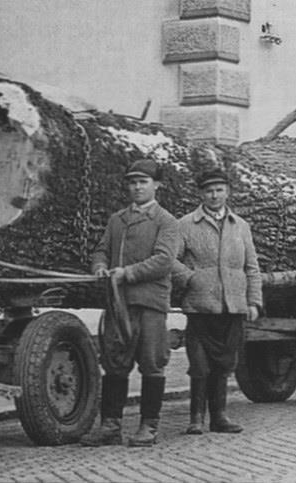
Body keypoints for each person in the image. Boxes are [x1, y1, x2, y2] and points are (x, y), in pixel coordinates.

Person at [80, 158, 180, 447]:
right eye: (133, 183)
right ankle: (110, 426)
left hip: (150, 304)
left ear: (156, 185)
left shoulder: (166, 221)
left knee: (152, 363)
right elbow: (100, 250)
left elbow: (164, 261)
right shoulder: (117, 220)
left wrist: (127, 273)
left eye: (143, 182)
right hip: (118, 303)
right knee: (114, 364)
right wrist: (99, 267)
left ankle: (149, 426)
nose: (137, 187)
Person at [172, 168, 262, 435]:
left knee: (224, 363)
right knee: (199, 365)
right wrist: (190, 278)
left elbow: (252, 266)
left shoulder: (241, 226)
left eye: (219, 190)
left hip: (232, 305)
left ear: (227, 192)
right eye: (209, 190)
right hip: (200, 306)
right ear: (201, 194)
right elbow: (169, 260)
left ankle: (220, 416)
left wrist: (253, 301)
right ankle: (196, 418)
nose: (214, 195)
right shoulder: (185, 224)